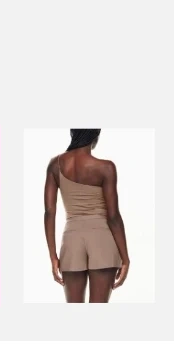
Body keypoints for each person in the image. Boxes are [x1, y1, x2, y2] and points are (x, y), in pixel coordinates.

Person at [44, 129, 129, 304]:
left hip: (72, 239)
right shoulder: (106, 167)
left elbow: (49, 212)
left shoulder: (55, 165)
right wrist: (125, 258)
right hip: (102, 239)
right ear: (95, 136)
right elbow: (113, 217)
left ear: (72, 134)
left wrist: (53, 256)